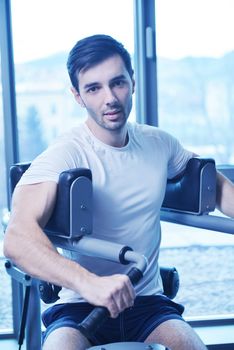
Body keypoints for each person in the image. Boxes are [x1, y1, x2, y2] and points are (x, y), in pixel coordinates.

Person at [4, 34, 234, 350]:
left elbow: (215, 185)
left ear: (133, 82)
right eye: (94, 88)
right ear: (77, 96)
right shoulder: (65, 153)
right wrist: (90, 284)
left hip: (148, 303)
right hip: (79, 306)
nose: (109, 97)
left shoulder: (159, 143)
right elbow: (17, 239)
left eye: (118, 83)